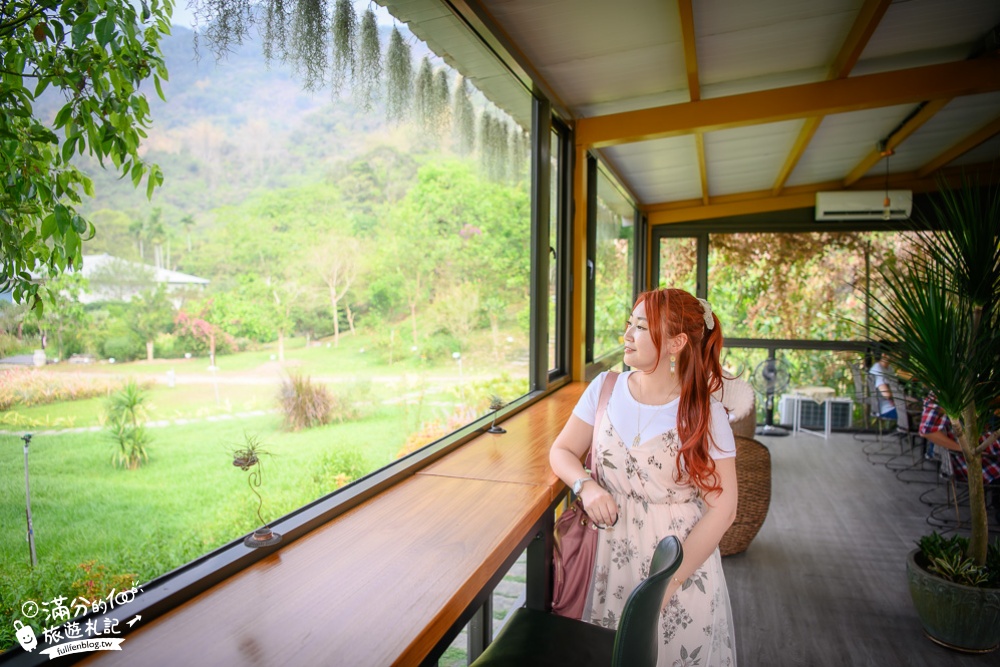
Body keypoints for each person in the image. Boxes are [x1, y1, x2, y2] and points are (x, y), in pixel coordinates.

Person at [550, 288, 738, 666]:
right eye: (629, 324)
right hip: (606, 555)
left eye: (641, 327)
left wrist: (669, 582)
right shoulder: (605, 388)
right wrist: (585, 486)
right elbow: (562, 451)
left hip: (673, 562)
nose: (627, 335)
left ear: (677, 342)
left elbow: (724, 508)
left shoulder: (704, 413)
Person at [868, 348, 898, 420]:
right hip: (886, 409)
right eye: (894, 353)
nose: (896, 355)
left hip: (896, 406)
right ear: (884, 355)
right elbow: (886, 394)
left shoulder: (889, 368)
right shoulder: (877, 369)